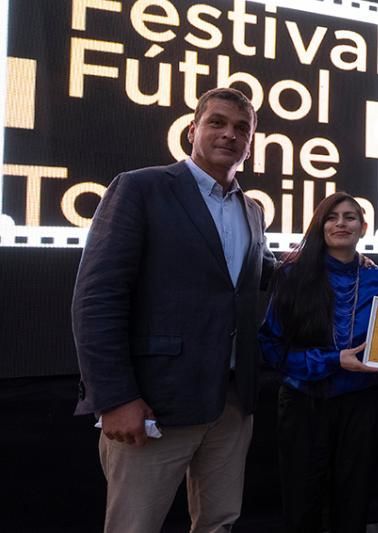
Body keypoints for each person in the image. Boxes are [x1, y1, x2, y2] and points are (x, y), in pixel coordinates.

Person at [71, 87, 275, 532]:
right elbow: (97, 298)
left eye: (242, 128)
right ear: (192, 130)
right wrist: (115, 397)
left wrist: (332, 258)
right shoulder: (140, 188)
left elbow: (248, 277)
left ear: (251, 142)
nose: (230, 134)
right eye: (217, 122)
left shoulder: (252, 210)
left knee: (219, 522)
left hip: (232, 402)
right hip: (155, 402)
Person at [258, 192, 378, 532]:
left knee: (354, 500)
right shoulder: (292, 274)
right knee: (302, 502)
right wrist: (333, 360)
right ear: (320, 224)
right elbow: (271, 346)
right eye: (332, 217)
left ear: (364, 227)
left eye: (350, 217)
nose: (341, 223)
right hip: (304, 402)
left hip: (361, 404)